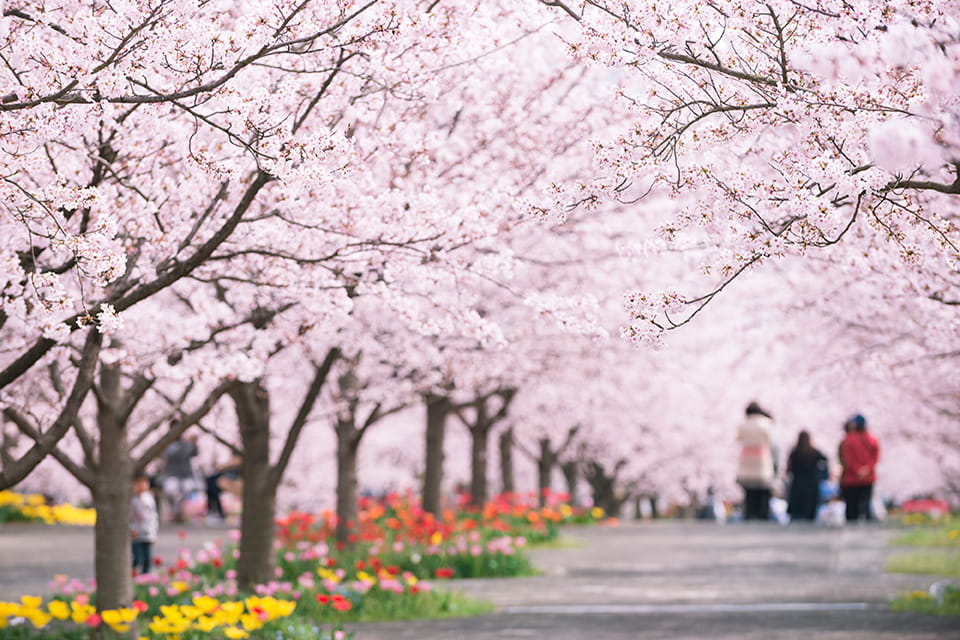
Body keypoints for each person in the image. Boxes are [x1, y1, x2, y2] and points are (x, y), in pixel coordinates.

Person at [736, 401, 778, 520]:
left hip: (747, 457)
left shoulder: (743, 424)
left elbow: (739, 438)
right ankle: (762, 514)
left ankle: (749, 513)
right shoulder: (766, 423)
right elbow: (770, 440)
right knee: (763, 489)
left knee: (749, 490)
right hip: (762, 457)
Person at [839, 413, 879, 521]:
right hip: (868, 478)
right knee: (866, 504)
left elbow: (848, 458)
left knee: (852, 507)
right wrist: (867, 469)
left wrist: (857, 469)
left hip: (852, 478)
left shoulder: (849, 440)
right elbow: (875, 457)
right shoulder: (873, 440)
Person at [786, 430, 828, 521]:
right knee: (810, 513)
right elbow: (825, 461)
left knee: (797, 513)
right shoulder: (814, 452)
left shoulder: (795, 453)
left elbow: (789, 469)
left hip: (798, 484)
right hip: (812, 484)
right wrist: (823, 476)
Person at [162, 431, 199, 522]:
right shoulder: (167, 443)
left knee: (188, 490)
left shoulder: (186, 443)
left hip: (186, 475)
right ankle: (175, 512)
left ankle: (179, 512)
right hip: (172, 474)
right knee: (171, 491)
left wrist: (193, 443)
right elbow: (171, 454)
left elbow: (195, 453)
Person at [130, 472, 158, 575]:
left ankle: (145, 577)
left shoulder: (149, 499)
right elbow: (129, 517)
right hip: (135, 534)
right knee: (137, 558)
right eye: (138, 483)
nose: (141, 486)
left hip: (148, 533)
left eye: (144, 483)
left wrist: (154, 534)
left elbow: (153, 517)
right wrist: (131, 529)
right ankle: (131, 572)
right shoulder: (131, 500)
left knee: (147, 559)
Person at [205, 454, 242, 523]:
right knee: (210, 482)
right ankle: (215, 510)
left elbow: (236, 462)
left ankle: (215, 510)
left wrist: (224, 466)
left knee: (212, 486)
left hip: (233, 475)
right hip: (227, 474)